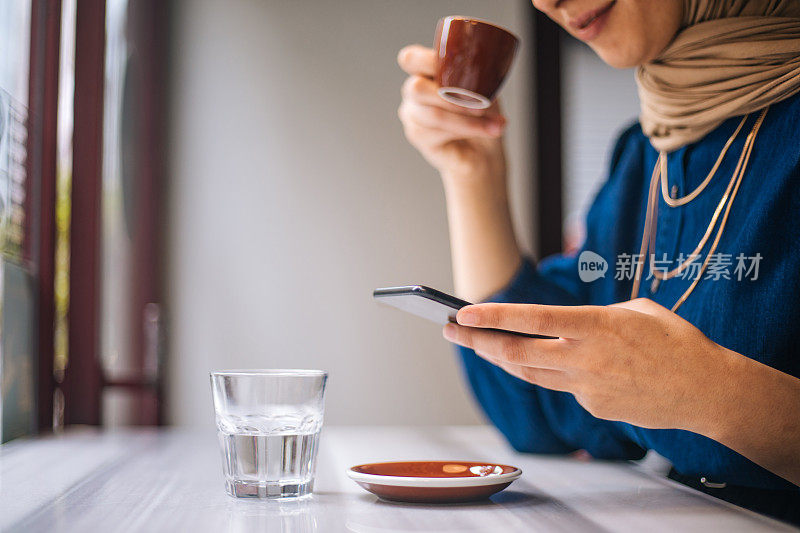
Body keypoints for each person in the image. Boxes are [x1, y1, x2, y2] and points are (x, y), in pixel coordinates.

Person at [397, 0, 800, 524]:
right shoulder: (642, 156)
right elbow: (539, 411)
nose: (547, 3)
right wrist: (471, 172)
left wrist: (709, 393)